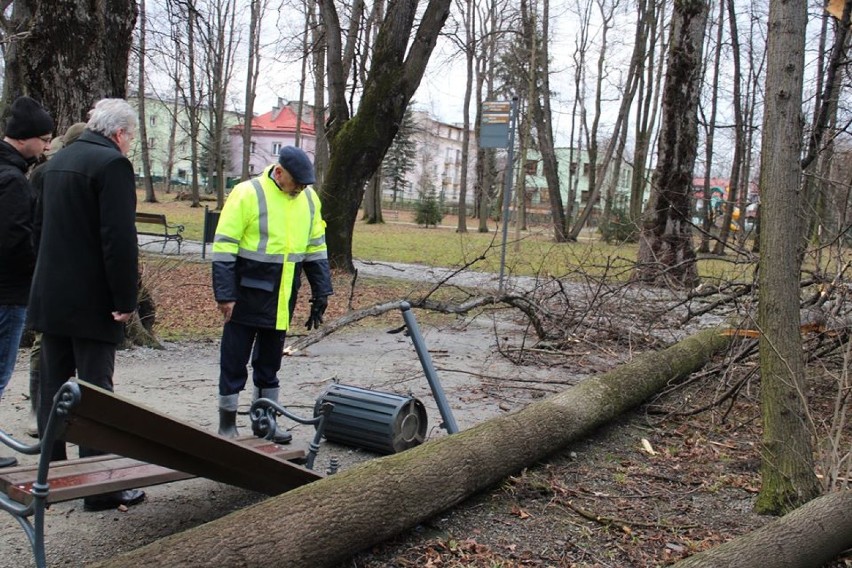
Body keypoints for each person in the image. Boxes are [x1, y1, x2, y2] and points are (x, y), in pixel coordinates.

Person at [27, 99, 145, 511]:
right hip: (92, 301)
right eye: (130, 136)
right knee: (95, 394)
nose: (129, 144)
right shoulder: (111, 165)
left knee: (52, 390)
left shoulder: (55, 162)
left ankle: (50, 480)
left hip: (51, 296)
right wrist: (125, 299)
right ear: (119, 134)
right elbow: (118, 239)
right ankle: (98, 487)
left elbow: (38, 232)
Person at [212, 146, 332, 444]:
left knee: (269, 364)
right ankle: (227, 424)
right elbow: (224, 247)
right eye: (297, 183)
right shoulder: (247, 193)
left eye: (305, 185)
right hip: (245, 295)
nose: (301, 190)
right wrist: (225, 295)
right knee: (234, 361)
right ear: (279, 174)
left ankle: (265, 420)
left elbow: (316, 247)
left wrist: (322, 291)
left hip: (283, 296)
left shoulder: (308, 199)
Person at [24, 122, 88, 438]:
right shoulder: (46, 175)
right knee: (44, 351)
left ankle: (44, 414)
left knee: (47, 352)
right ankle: (41, 414)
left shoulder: (46, 173)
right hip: (50, 278)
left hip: (48, 277)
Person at [0, 96, 54, 467]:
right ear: (25, 138)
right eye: (44, 138)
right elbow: (16, 239)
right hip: (8, 292)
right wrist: (38, 267)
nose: (48, 145)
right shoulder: (14, 181)